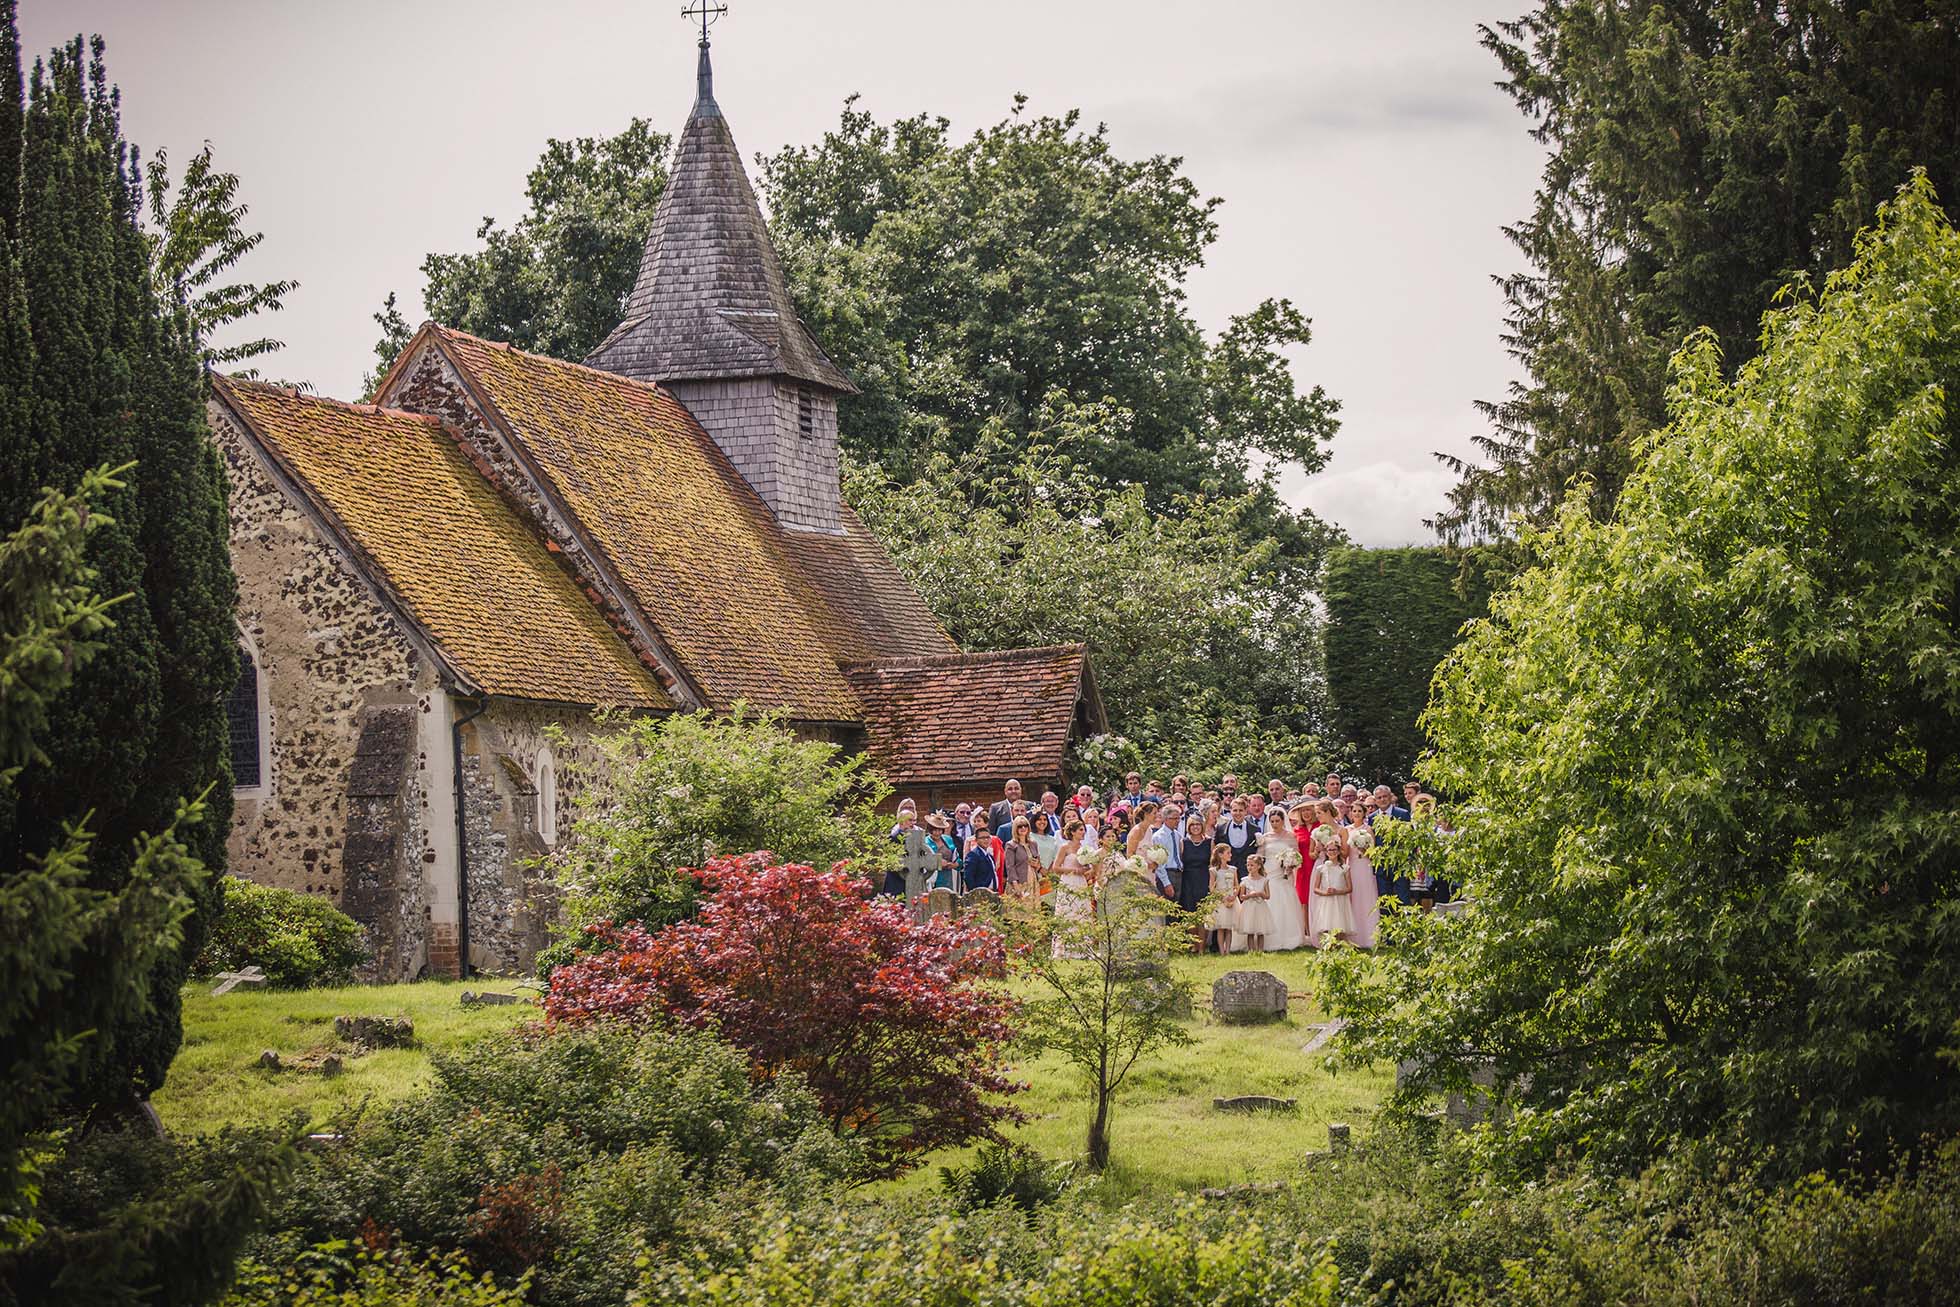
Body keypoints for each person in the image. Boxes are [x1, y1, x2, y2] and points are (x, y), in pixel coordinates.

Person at [1262, 806, 1307, 950]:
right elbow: (1260, 856)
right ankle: (1268, 937)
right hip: (1269, 871)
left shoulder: (1290, 836)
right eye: (1272, 821)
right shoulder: (1266, 837)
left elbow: (1296, 855)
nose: (1275, 824)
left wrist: (1290, 864)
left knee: (1285, 901)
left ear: (1283, 821)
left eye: (1277, 821)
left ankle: (1288, 936)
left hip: (1284, 873)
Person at [1308, 824, 1354, 946]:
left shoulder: (1344, 868)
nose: (1332, 852)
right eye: (1329, 850)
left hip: (1340, 900)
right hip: (1326, 901)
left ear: (1338, 851)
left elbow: (1350, 888)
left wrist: (1337, 892)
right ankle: (1328, 947)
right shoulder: (1321, 868)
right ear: (1326, 852)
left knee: (1340, 925)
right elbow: (1316, 888)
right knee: (1327, 925)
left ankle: (1341, 947)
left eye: (1334, 850)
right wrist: (1325, 893)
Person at [1345, 822, 1382, 947]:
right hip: (1352, 866)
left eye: (1359, 811)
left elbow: (1373, 853)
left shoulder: (1368, 829)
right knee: (1353, 898)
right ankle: (1352, 937)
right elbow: (1345, 852)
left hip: (1365, 866)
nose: (1356, 813)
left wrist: (1363, 850)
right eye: (1354, 811)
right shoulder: (1347, 829)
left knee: (1367, 898)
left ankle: (1369, 935)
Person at [1206, 842, 1239, 955]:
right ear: (1220, 855)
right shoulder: (1214, 871)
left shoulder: (1233, 869)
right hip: (1220, 900)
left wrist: (1234, 895)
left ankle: (1228, 950)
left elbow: (1236, 885)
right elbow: (1212, 888)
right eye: (1228, 853)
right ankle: (1221, 951)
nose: (1230, 855)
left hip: (1231, 899)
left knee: (1229, 927)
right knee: (1220, 927)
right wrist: (1222, 898)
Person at [1237, 853, 1274, 952]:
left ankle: (1260, 950)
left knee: (1260, 930)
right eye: (1248, 865)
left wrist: (1260, 893)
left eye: (1252, 865)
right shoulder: (1245, 881)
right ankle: (1251, 950)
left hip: (1260, 907)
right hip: (1249, 907)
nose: (1249, 867)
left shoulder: (1264, 880)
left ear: (1258, 866)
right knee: (1250, 930)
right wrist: (1250, 896)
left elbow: (1268, 896)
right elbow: (1241, 896)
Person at [1177, 812, 1213, 917]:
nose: (1195, 827)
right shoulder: (1183, 842)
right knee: (1189, 912)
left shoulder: (1210, 842)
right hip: (1188, 881)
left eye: (1198, 824)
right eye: (1192, 824)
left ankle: (1202, 934)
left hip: (1204, 879)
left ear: (1202, 825)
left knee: (1203, 912)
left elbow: (1212, 864)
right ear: (1188, 826)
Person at [1220, 796, 1259, 875]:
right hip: (1227, 871)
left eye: (1241, 810)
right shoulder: (1221, 829)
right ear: (1231, 811)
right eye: (1235, 810)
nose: (1238, 813)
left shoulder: (1254, 829)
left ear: (1246, 811)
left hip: (1248, 871)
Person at [923, 813, 961, 893]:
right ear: (930, 829)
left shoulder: (948, 839)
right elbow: (923, 861)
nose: (937, 833)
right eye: (935, 830)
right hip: (933, 877)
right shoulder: (925, 842)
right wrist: (938, 862)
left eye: (940, 830)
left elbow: (957, 857)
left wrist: (956, 864)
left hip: (949, 876)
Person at [1004, 816, 1038, 900]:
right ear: (1015, 828)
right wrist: (1016, 886)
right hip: (1019, 882)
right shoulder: (1011, 845)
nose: (1023, 828)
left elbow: (1037, 860)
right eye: (1020, 826)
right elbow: (1010, 867)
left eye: (1025, 825)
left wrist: (1036, 864)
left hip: (1033, 880)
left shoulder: (1033, 843)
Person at [963, 820, 1001, 893]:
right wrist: (975, 893)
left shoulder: (989, 855)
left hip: (992, 892)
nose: (986, 840)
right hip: (980, 893)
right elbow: (968, 877)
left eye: (988, 837)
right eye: (982, 838)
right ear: (976, 840)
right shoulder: (973, 855)